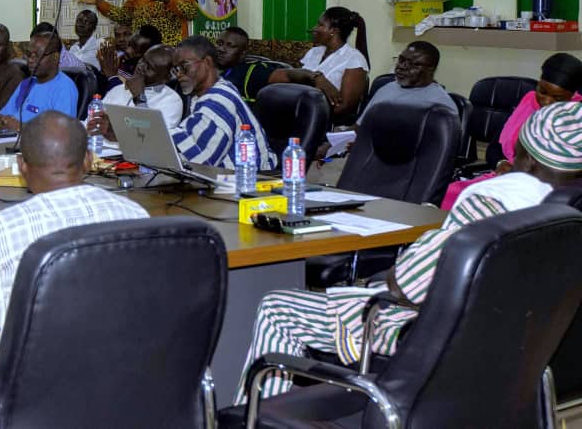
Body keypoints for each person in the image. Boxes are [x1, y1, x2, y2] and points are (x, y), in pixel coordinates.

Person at [234, 100, 582, 403]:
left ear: (528, 158)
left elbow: (406, 285)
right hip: (525, 349)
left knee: (278, 308)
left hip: (436, 337)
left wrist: (399, 264)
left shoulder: (493, 201)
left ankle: (256, 415)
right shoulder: (568, 208)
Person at [0, 112, 148, 427]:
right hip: (126, 395)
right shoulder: (136, 216)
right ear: (87, 160)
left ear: (21, 166)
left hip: (33, 409)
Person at [441, 51, 582, 209]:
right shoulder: (528, 101)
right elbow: (495, 147)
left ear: (572, 95)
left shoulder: (576, 118)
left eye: (558, 98)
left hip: (548, 191)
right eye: (542, 91)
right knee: (448, 195)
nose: (546, 101)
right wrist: (501, 163)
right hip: (508, 179)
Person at [171, 36, 275, 170]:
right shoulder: (210, 91)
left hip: (251, 178)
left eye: (184, 66)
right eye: (176, 69)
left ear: (207, 62)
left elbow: (200, 161)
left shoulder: (220, 99)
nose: (179, 74)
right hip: (226, 175)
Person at [268, 6, 369, 120]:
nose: (314, 29)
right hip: (296, 111)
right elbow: (294, 81)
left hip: (324, 120)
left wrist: (307, 115)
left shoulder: (354, 59)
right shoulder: (314, 52)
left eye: (320, 25)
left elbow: (345, 108)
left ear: (334, 31)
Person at [0, 32, 78, 132]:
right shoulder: (26, 84)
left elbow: (61, 130)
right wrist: (2, 120)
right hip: (9, 138)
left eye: (38, 55)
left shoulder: (65, 88)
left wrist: (20, 127)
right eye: (29, 54)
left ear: (55, 57)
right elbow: (0, 115)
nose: (31, 60)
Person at [359, 41, 456, 121]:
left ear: (431, 69)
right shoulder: (387, 88)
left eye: (413, 64)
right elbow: (360, 127)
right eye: (401, 60)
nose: (402, 66)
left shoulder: (440, 103)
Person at [98, 45, 183, 127]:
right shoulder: (118, 90)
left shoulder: (171, 101)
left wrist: (139, 97)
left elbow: (154, 134)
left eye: (149, 67)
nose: (140, 66)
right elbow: (95, 118)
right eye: (143, 59)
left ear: (166, 77)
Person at [216, 27, 274, 103]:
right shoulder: (207, 66)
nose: (221, 49)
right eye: (219, 43)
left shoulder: (251, 70)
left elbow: (286, 75)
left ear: (243, 53)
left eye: (230, 46)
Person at [97, 25, 161, 91]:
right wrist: (103, 72)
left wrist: (112, 76)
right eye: (129, 45)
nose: (127, 51)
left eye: (134, 47)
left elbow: (126, 96)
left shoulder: (152, 74)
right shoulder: (120, 60)